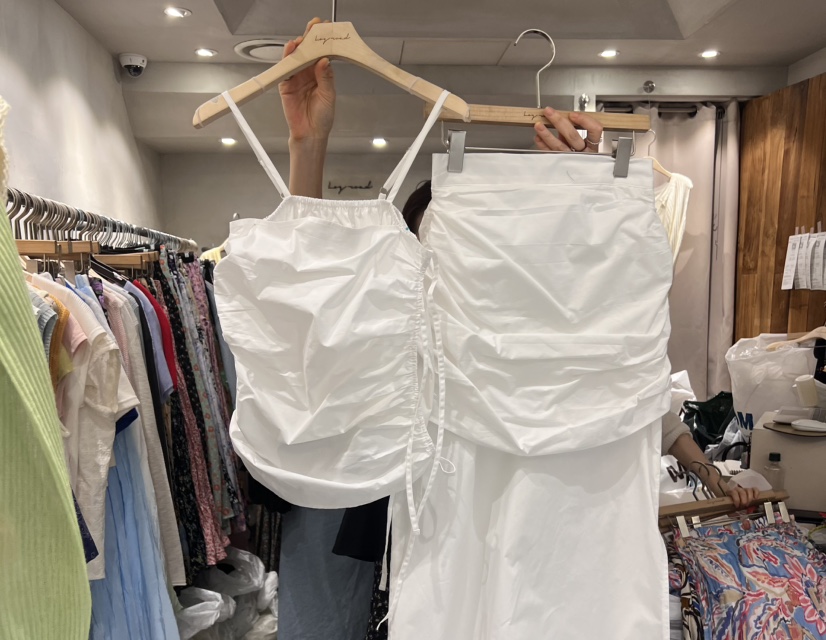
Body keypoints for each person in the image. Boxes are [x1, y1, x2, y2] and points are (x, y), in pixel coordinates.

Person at [280, 18, 759, 509]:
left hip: (568, 514)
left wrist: (581, 204)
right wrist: (307, 146)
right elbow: (317, 321)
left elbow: (643, 401)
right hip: (431, 515)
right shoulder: (405, 333)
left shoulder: (532, 330)